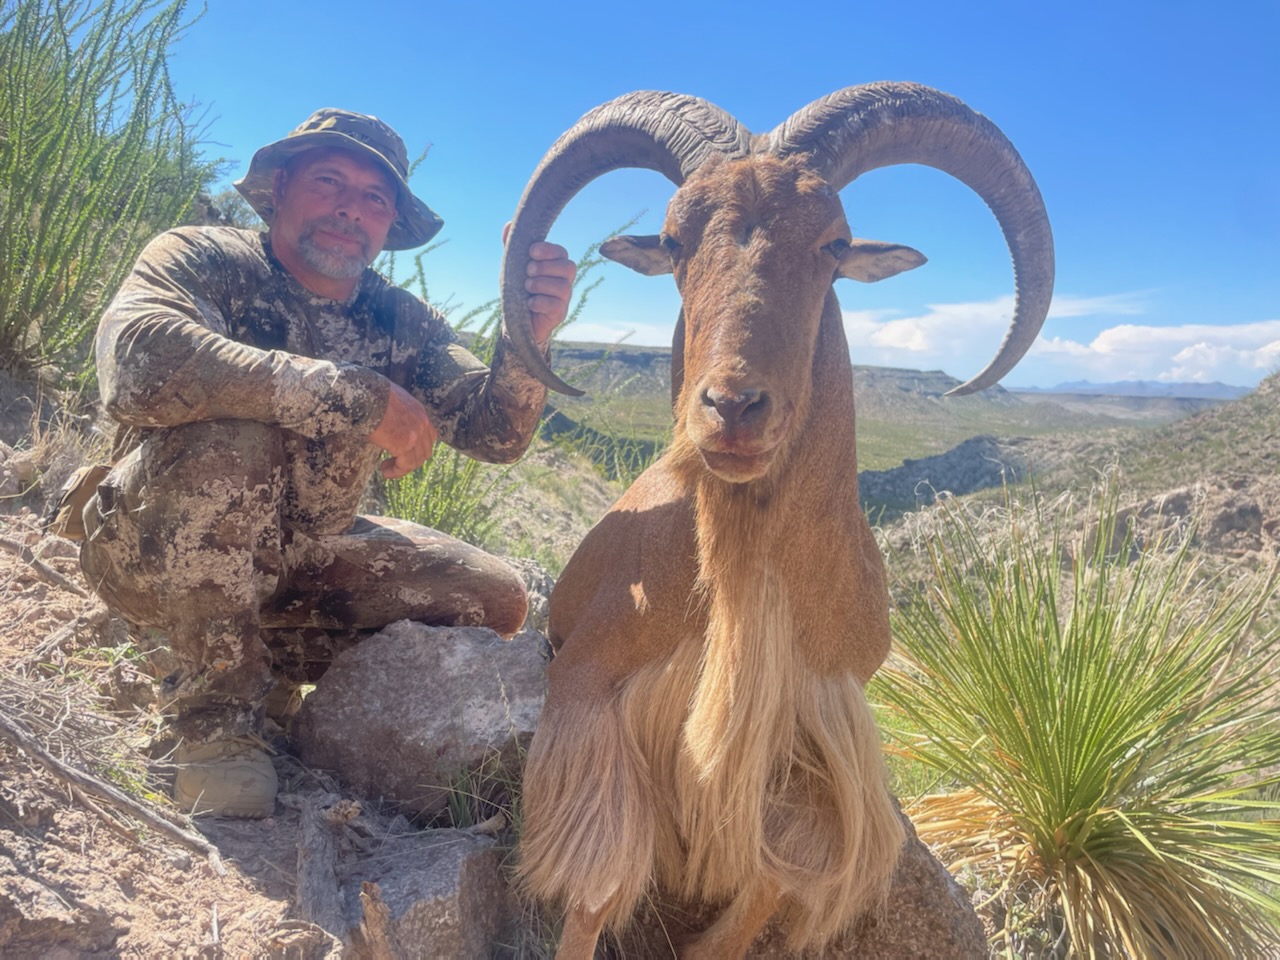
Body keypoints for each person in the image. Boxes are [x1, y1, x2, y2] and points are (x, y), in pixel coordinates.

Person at [75, 108, 576, 818]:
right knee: (233, 441)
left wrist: (529, 334)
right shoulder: (203, 257)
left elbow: (494, 434)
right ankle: (215, 720)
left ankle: (270, 664)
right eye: (330, 181)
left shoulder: (403, 320)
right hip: (150, 551)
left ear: (389, 223)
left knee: (492, 600)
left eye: (374, 197)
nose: (350, 208)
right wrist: (357, 398)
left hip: (301, 557)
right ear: (280, 186)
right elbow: (138, 362)